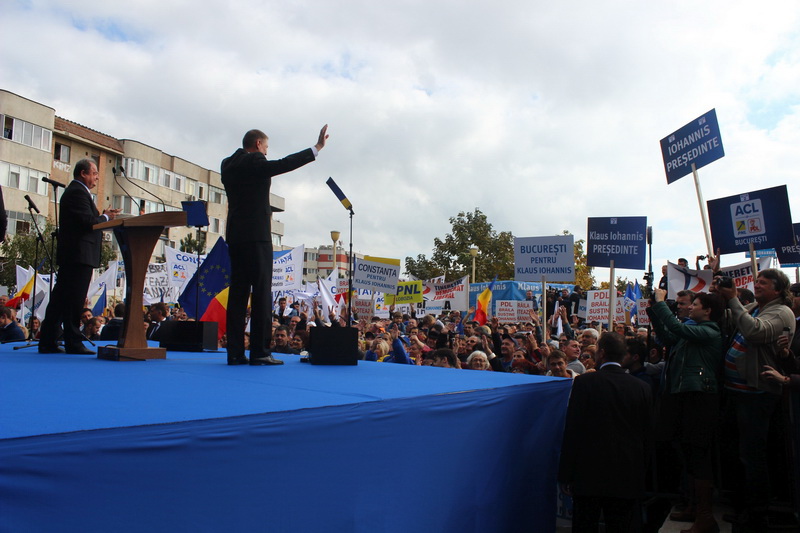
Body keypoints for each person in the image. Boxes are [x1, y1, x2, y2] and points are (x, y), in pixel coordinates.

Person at [221, 125, 328, 366]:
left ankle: (235, 353)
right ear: (258, 144)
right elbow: (283, 164)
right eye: (266, 147)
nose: (267, 153)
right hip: (257, 236)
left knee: (237, 295)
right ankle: (259, 352)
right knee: (260, 293)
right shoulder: (255, 162)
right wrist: (316, 148)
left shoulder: (227, 165)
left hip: (236, 236)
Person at [716, 269, 796, 529]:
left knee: (752, 455)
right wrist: (721, 289)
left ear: (777, 289)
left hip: (756, 394)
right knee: (735, 452)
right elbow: (731, 319)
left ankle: (757, 512)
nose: (757, 284)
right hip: (737, 391)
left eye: (764, 282)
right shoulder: (754, 306)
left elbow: (754, 332)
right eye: (757, 281)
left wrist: (734, 300)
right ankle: (741, 504)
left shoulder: (780, 312)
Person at [559, 332, 653, 532]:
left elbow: (573, 429)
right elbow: (647, 434)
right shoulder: (642, 388)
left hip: (588, 474)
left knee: (585, 524)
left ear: (601, 353)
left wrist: (566, 473)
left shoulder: (585, 383)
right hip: (627, 474)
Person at [649, 289, 724, 532]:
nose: (690, 308)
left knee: (699, 456)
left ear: (708, 310)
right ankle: (694, 506)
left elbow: (679, 330)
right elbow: (670, 337)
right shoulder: (693, 331)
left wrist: (661, 304)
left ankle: (705, 516)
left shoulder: (708, 331)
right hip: (686, 396)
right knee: (688, 453)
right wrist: (653, 311)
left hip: (700, 398)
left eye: (696, 304)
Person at [39, 159, 120, 354]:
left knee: (61, 299)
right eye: (94, 173)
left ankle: (49, 340)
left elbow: (86, 219)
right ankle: (73, 342)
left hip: (75, 254)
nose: (97, 178)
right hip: (78, 255)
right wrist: (106, 217)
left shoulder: (78, 192)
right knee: (73, 300)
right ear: (83, 173)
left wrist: (103, 215)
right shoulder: (77, 191)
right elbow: (88, 222)